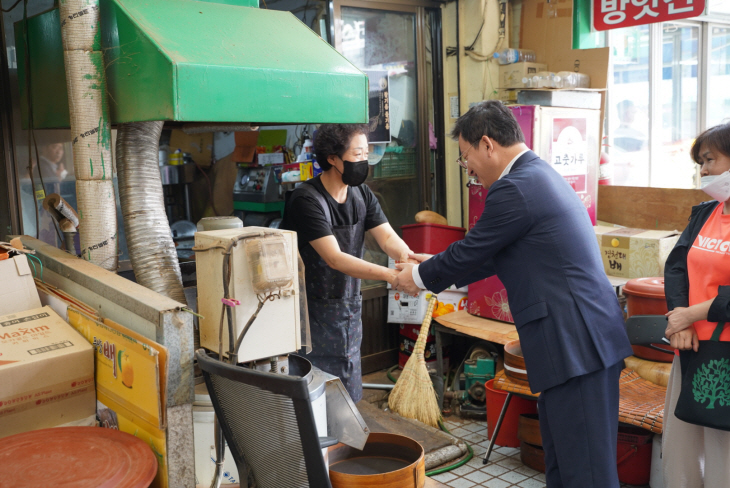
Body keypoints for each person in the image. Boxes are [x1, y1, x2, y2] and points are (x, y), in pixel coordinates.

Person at [392, 101, 633, 488]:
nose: (467, 168)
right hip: (574, 342)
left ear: (488, 144)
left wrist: (418, 277)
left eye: (466, 157)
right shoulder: (533, 176)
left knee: (586, 472)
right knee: (564, 464)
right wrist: (432, 264)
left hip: (577, 343)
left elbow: (473, 251)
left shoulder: (516, 188)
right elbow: (490, 254)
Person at [282, 123, 412, 403]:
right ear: (332, 158)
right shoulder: (306, 199)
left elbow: (387, 236)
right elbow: (334, 258)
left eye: (366, 153)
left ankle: (343, 444)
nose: (363, 161)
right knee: (312, 396)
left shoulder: (362, 195)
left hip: (347, 310)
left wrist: (407, 258)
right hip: (309, 313)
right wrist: (393, 276)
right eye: (357, 153)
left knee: (347, 394)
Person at [662, 122, 730, 488]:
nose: (703, 171)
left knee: (725, 457)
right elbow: (676, 266)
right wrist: (681, 321)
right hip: (691, 347)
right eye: (700, 162)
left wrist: (693, 313)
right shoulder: (706, 212)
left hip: (727, 355)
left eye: (710, 160)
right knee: (681, 450)